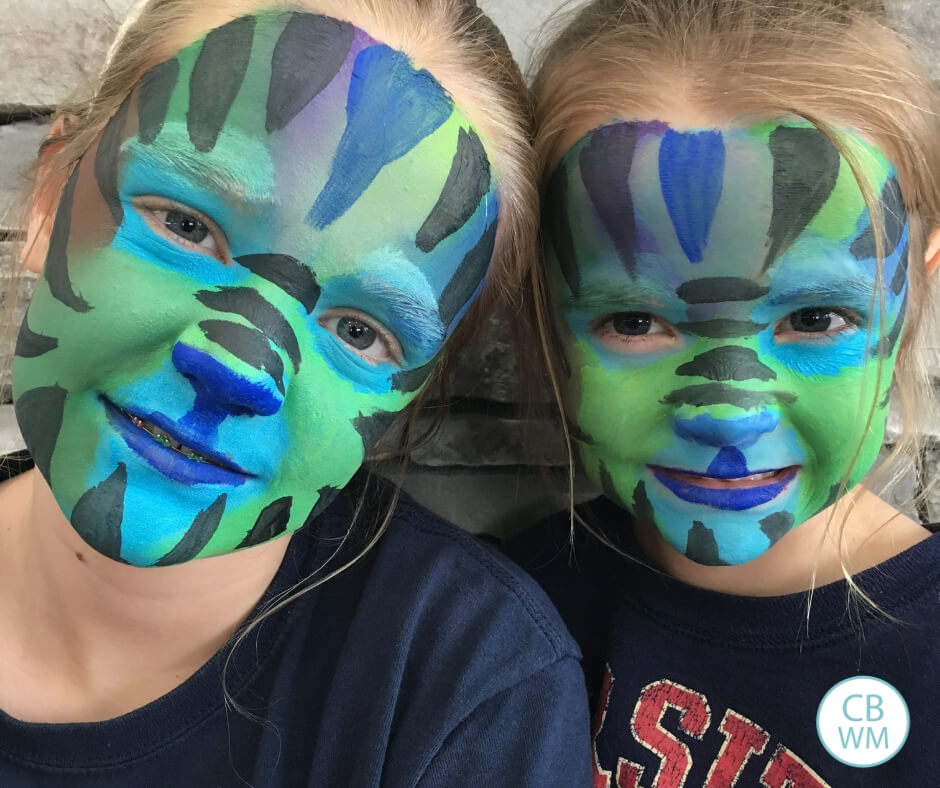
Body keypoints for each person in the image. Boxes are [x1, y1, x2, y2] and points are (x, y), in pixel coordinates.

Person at [0, 1, 593, 784]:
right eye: (184, 223)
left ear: (413, 394)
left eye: (358, 332)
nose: (238, 370)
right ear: (50, 192)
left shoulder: (468, 687)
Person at [507, 0, 940, 784]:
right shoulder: (489, 621)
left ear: (915, 290)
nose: (731, 416)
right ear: (539, 305)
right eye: (634, 320)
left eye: (817, 317)